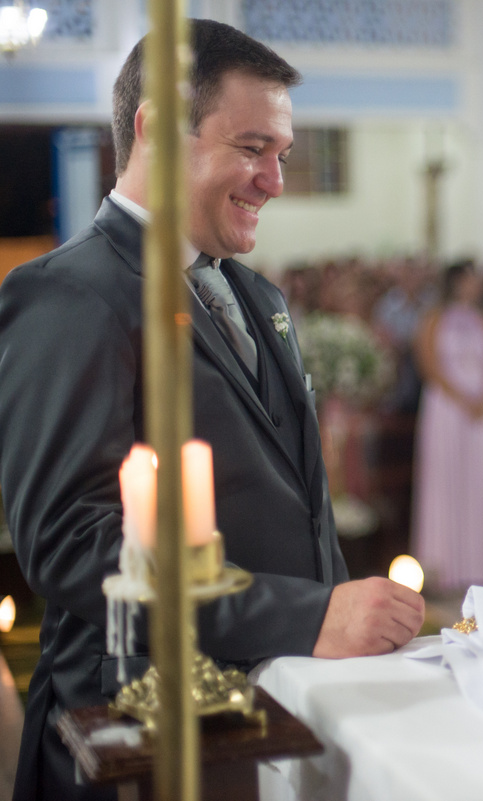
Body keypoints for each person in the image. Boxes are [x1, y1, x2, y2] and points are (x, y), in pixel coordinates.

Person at [0, 21, 424, 801]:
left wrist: (333, 632)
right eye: (253, 148)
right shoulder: (70, 294)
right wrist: (306, 616)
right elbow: (68, 541)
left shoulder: (255, 295)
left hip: (275, 713)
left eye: (283, 155)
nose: (276, 180)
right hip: (139, 735)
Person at [412, 261, 483, 592]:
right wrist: (461, 398)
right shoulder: (435, 318)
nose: (476, 285)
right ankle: (445, 565)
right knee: (446, 481)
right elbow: (428, 363)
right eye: (470, 279)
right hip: (447, 409)